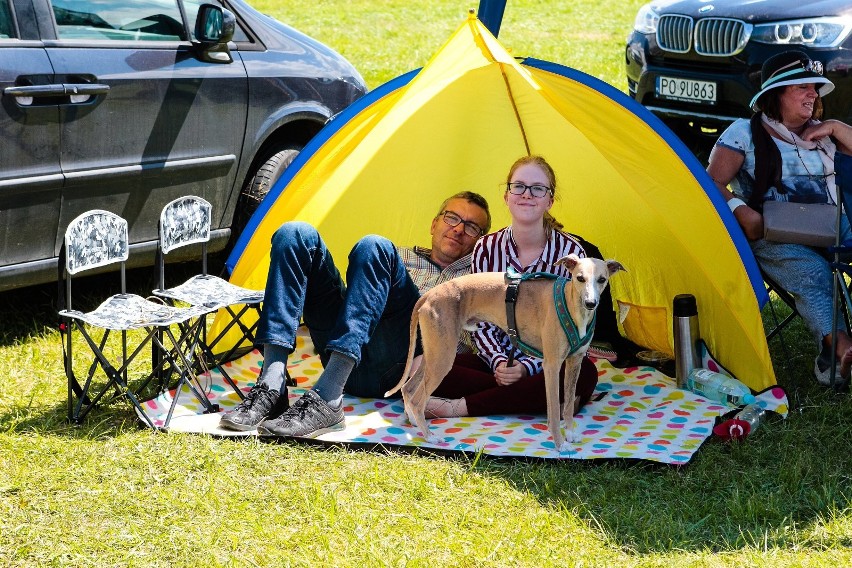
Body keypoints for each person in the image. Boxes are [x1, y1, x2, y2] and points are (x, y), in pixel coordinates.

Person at [218, 191, 491, 436]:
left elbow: (484, 345)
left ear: (482, 241)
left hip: (399, 365)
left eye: (471, 227)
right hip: (346, 345)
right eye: (452, 217)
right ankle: (272, 383)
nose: (458, 229)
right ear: (434, 224)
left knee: (375, 246)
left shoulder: (479, 279)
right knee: (294, 234)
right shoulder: (399, 256)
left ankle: (328, 399)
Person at [706, 49, 852, 385]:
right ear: (776, 94)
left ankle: (835, 357)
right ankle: (839, 345)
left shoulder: (825, 133)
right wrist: (740, 211)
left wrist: (835, 126)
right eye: (802, 87)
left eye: (815, 87)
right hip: (775, 232)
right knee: (813, 273)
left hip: (832, 227)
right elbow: (710, 182)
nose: (813, 93)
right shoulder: (744, 132)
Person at [424, 155, 606, 418]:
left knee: (585, 373)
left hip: (549, 363)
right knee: (424, 364)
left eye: (537, 188)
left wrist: (527, 368)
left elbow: (578, 327)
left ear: (549, 200)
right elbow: (479, 319)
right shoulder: (486, 248)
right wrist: (499, 362)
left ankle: (461, 407)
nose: (527, 194)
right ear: (507, 196)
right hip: (493, 364)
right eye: (518, 186)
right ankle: (536, 399)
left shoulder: (572, 253)